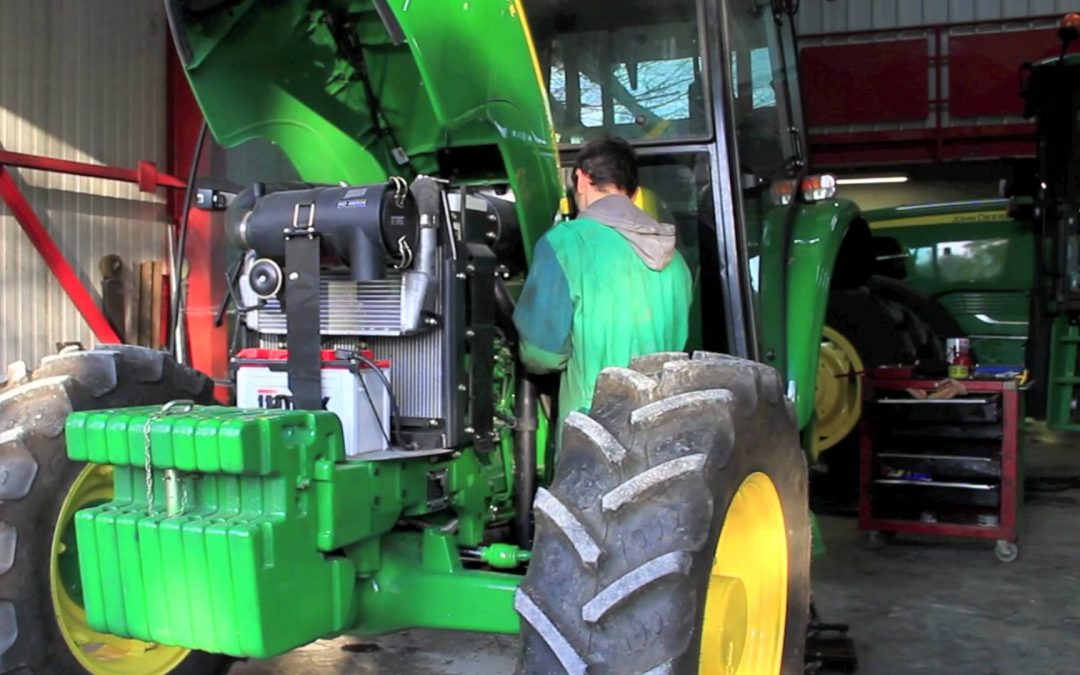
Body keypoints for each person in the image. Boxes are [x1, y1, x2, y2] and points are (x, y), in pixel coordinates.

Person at [513, 135, 693, 430]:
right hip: (660, 430)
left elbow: (541, 356)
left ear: (581, 178)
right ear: (633, 194)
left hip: (593, 434)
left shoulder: (566, 243)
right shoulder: (676, 262)